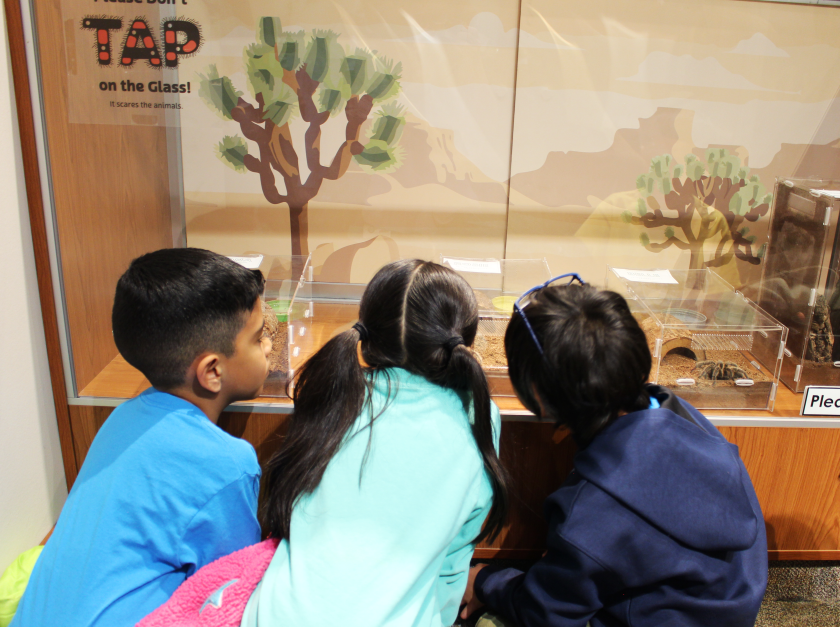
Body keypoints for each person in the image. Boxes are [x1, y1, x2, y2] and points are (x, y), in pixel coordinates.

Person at [460, 276, 768, 627]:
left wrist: (485, 580)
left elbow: (546, 612)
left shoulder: (590, 513)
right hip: (728, 603)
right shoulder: (677, 412)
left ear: (538, 396)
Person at [239, 259, 509, 627]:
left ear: (366, 335)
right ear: (462, 341)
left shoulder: (331, 390)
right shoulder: (478, 413)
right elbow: (452, 564)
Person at [11, 248, 270, 627]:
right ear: (212, 371)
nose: (267, 347)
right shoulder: (230, 464)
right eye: (259, 337)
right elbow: (232, 591)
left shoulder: (120, 419)